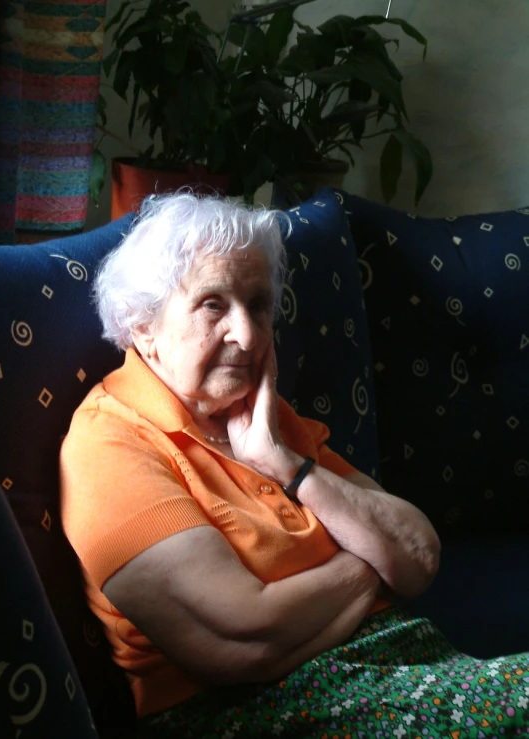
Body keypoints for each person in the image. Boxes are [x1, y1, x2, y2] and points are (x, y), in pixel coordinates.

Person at [60, 192, 529, 738]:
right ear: (144, 326)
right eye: (214, 304)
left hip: (405, 661)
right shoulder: (110, 444)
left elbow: (421, 553)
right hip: (258, 709)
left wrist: (286, 464)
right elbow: (244, 638)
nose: (250, 335)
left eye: (258, 305)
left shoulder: (262, 419)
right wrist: (375, 560)